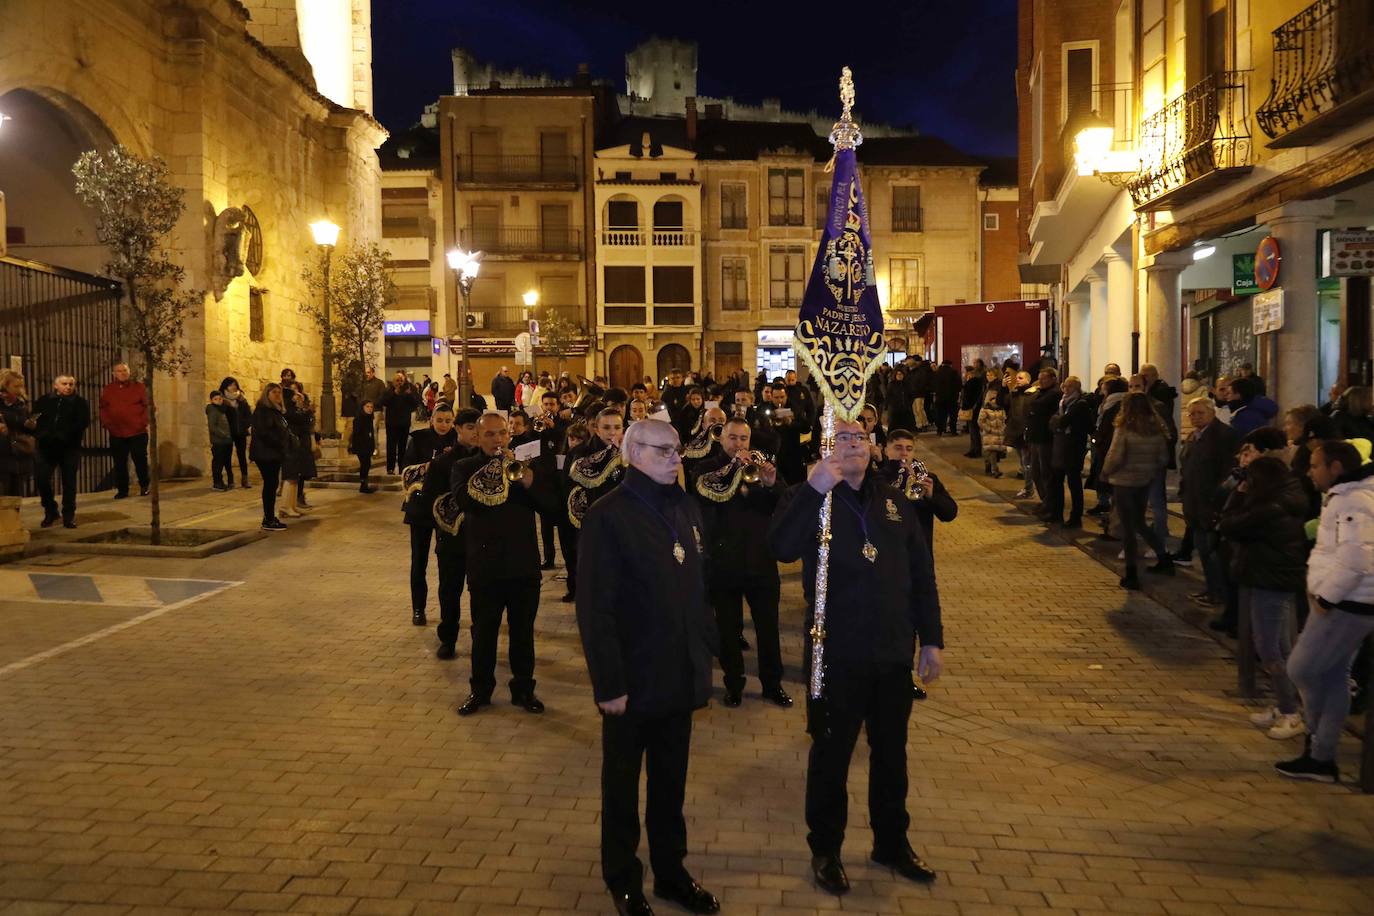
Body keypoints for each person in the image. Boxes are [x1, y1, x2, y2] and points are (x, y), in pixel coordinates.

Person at [769, 417, 944, 896]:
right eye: (842, 438)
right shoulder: (813, 496)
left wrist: (931, 639)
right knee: (831, 758)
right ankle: (825, 849)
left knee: (891, 757)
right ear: (827, 446)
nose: (853, 445)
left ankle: (892, 842)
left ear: (874, 447)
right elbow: (781, 547)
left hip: (891, 653)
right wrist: (811, 488)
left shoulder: (893, 501)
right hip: (835, 656)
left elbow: (921, 575)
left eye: (860, 438)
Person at [576, 418, 721, 916]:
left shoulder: (685, 505)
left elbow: (701, 586)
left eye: (677, 451)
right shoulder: (608, 515)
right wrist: (609, 684)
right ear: (633, 452)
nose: (675, 458)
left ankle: (670, 872)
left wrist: (706, 648)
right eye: (664, 451)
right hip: (631, 681)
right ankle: (623, 879)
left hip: (678, 674)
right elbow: (596, 608)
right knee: (621, 787)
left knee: (670, 784)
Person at [1278, 439, 1374, 783]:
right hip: (1348, 602)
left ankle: (1317, 742)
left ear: (1336, 467)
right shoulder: (1348, 495)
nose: (1310, 471)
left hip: (1347, 605)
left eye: (1316, 465)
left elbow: (1358, 559)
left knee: (1302, 669)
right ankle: (1320, 756)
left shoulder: (1354, 501)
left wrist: (1326, 598)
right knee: (1330, 678)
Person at [452, 413, 550, 716]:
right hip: (486, 566)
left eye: (503, 434)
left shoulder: (523, 469)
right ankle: (480, 690)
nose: (498, 440)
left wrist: (528, 478)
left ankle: (523, 690)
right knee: (483, 633)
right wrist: (495, 470)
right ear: (478, 438)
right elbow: (463, 500)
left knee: (523, 633)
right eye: (491, 434)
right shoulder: (464, 467)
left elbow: (550, 506)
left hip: (523, 566)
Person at [691, 417, 791, 709]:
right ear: (722, 438)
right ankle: (733, 684)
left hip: (761, 560)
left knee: (768, 628)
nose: (739, 444)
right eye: (733, 438)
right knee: (728, 630)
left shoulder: (761, 466)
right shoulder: (706, 468)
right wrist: (734, 468)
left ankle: (773, 684)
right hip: (723, 562)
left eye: (744, 439)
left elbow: (785, 501)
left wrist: (772, 483)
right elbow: (703, 496)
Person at [1215, 455, 1308, 740]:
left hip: (1269, 581)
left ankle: (1291, 714)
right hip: (1269, 578)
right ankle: (1285, 706)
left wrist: (1237, 495)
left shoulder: (1270, 508)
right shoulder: (1282, 501)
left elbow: (1228, 524)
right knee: (1279, 647)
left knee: (1270, 650)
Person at [418, 406, 478, 657]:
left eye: (479, 428)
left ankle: (481, 637)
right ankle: (448, 637)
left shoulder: (490, 460)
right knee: (449, 590)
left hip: (479, 539)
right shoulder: (444, 461)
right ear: (459, 429)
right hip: (451, 536)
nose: (475, 433)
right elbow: (430, 498)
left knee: (480, 592)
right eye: (470, 428)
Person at [1100, 393, 1174, 589]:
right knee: (1139, 522)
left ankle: (1131, 573)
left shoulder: (1124, 428)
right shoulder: (1156, 428)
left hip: (1124, 481)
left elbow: (1115, 455)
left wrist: (1105, 472)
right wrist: (1148, 471)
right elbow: (1162, 457)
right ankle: (1164, 556)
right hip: (1144, 480)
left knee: (1128, 527)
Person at [401, 404, 460, 626]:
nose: (443, 425)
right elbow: (406, 469)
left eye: (447, 420)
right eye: (439, 420)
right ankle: (418, 608)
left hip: (448, 509)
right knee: (419, 561)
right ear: (432, 420)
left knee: (448, 562)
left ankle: (448, 612)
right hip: (421, 507)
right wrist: (425, 468)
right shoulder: (418, 439)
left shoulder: (458, 440)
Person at [1179, 397, 1240, 608]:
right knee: (1202, 549)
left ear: (1212, 413)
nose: (1195, 417)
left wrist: (1218, 499)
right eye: (1192, 414)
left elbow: (1227, 472)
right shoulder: (1193, 437)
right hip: (1194, 502)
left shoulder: (1223, 436)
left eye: (1200, 413)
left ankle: (1219, 593)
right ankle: (1210, 588)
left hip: (1210, 503)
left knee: (1213, 551)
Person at [32, 375, 90, 529]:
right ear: (56, 386)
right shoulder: (44, 401)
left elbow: (83, 422)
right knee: (42, 479)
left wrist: (65, 434)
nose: (68, 387)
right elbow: (34, 419)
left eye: (71, 384)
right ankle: (50, 509)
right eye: (64, 384)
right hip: (46, 447)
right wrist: (41, 434)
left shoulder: (79, 402)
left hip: (69, 447)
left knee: (69, 482)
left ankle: (68, 515)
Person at [1046, 375, 1093, 528]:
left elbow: (1062, 421)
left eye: (1070, 387)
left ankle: (1075, 517)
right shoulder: (1062, 404)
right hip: (1060, 446)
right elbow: (1053, 422)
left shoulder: (1080, 404)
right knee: (1056, 481)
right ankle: (1056, 513)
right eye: (1065, 386)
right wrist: (1057, 422)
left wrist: (1058, 422)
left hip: (1074, 448)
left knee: (1074, 483)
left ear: (1077, 388)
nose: (1066, 389)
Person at [99, 363, 149, 499]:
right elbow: (103, 408)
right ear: (114, 374)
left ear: (129, 372)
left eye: (125, 370)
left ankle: (144, 485)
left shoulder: (139, 387)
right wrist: (108, 424)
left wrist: (142, 423)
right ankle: (122, 490)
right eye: (119, 371)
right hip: (116, 433)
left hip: (137, 432)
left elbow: (148, 406)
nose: (122, 373)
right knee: (119, 463)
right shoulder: (108, 389)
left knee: (140, 460)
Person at [249, 384, 291, 531]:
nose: (278, 395)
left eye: (279, 392)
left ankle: (269, 517)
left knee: (272, 484)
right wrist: (280, 442)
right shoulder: (263, 411)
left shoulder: (275, 411)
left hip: (273, 453)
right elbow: (264, 432)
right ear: (267, 394)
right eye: (274, 392)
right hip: (266, 453)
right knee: (270, 484)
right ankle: (268, 519)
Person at [1086, 377, 1129, 516]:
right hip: (1103, 444)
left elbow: (1107, 425)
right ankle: (1105, 504)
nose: (1101, 390)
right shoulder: (1107, 402)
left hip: (1107, 445)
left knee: (1108, 476)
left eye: (1103, 387)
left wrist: (1098, 438)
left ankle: (1112, 511)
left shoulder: (1115, 404)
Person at [1025, 368, 1060, 517]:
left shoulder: (1055, 393)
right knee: (1035, 471)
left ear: (1053, 379)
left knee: (1046, 472)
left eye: (1044, 378)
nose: (1041, 382)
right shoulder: (1041, 393)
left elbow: (1036, 405)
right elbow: (1029, 406)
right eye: (1039, 379)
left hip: (1045, 438)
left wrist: (1033, 397)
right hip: (1035, 437)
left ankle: (1050, 503)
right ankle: (1045, 500)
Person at [0, 370, 37, 497]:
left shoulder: (21, 405)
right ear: (5, 385)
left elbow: (24, 427)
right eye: (16, 386)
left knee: (16, 495)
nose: (20, 389)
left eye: (21, 386)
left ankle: (14, 517)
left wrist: (30, 425)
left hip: (18, 453)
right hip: (3, 454)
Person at [379, 372, 420, 474]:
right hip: (391, 423)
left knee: (402, 447)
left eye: (401, 380)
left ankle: (402, 468)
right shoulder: (389, 390)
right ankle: (390, 468)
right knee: (391, 446)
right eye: (397, 380)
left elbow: (415, 404)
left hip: (404, 423)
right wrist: (394, 394)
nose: (399, 383)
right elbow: (383, 401)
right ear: (393, 381)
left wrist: (409, 395)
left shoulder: (408, 390)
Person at [218, 377, 254, 488]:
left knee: (242, 455)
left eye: (234, 385)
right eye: (230, 385)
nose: (233, 387)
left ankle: (245, 478)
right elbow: (220, 415)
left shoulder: (241, 399)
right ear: (225, 387)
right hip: (228, 432)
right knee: (227, 456)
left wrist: (247, 425)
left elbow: (248, 414)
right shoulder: (221, 399)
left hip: (241, 432)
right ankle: (230, 479)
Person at [1005, 371, 1035, 495]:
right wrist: (1004, 388)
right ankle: (1028, 487)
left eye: (1020, 378)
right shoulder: (1015, 393)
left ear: (1028, 380)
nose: (1017, 380)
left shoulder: (1033, 394)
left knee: (1026, 461)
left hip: (1026, 433)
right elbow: (1004, 404)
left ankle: (1029, 488)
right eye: (1016, 378)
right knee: (1024, 462)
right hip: (1016, 431)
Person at [206, 391, 234, 491]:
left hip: (225, 441)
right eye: (216, 399)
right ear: (211, 400)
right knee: (218, 463)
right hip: (218, 441)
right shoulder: (213, 410)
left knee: (222, 462)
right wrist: (224, 434)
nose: (218, 401)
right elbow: (212, 426)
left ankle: (220, 482)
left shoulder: (221, 410)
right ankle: (217, 483)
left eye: (220, 399)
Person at [977, 385, 1007, 478]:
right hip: (989, 435)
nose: (995, 400)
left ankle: (988, 468)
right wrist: (989, 429)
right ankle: (995, 470)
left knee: (992, 454)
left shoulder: (1001, 409)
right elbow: (980, 421)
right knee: (992, 452)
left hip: (999, 435)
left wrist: (1004, 429)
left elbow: (1004, 420)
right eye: (993, 398)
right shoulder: (985, 410)